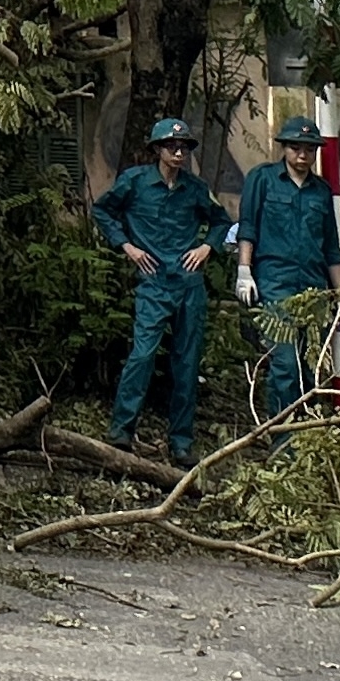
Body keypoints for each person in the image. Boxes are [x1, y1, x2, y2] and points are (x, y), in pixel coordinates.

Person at [93, 117, 232, 463]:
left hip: (188, 282)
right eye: (172, 146)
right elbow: (103, 210)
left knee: (186, 363)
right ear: (157, 149)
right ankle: (122, 431)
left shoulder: (195, 188)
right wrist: (126, 246)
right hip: (153, 281)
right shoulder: (135, 182)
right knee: (142, 355)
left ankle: (181, 442)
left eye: (184, 146)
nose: (179, 152)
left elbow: (220, 221)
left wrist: (206, 248)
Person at [232, 114, 340, 425]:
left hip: (314, 289)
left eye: (309, 149)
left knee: (311, 365)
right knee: (285, 364)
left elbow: (331, 249)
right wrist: (244, 270)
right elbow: (248, 227)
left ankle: (306, 434)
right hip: (275, 285)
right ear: (284, 148)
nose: (302, 155)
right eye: (296, 147)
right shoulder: (263, 179)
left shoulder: (321, 191)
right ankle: (283, 440)